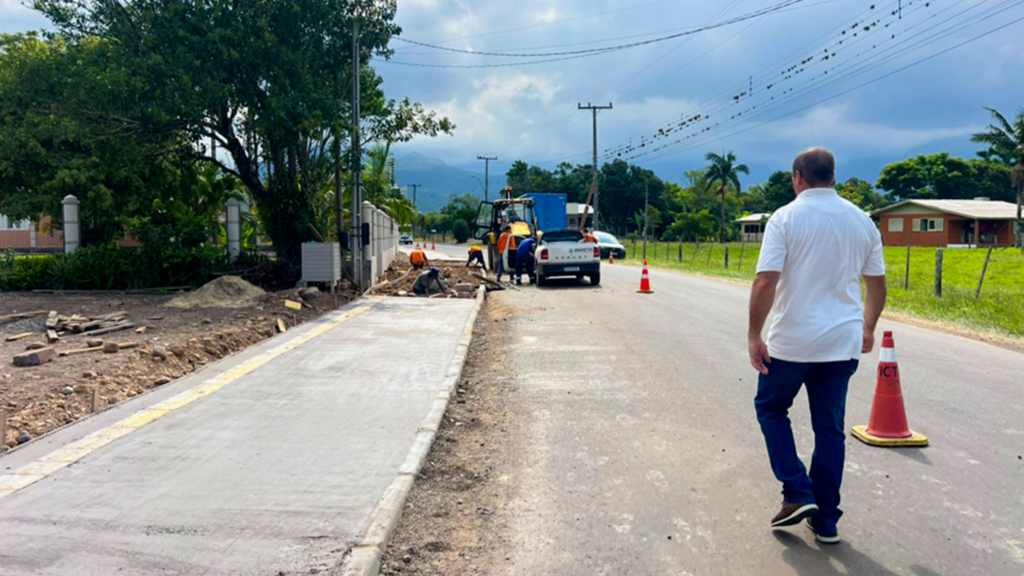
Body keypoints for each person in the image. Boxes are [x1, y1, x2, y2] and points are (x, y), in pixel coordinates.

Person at [748, 147, 887, 545]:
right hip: (841, 343)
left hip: (792, 343)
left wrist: (754, 335)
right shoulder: (862, 221)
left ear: (797, 176)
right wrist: (867, 327)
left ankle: (797, 490)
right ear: (833, 176)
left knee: (771, 408)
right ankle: (826, 521)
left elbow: (765, 280)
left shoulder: (785, 217)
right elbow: (877, 285)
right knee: (829, 429)